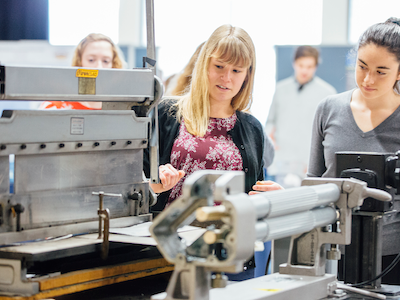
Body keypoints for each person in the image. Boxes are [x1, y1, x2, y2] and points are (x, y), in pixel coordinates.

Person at [144, 24, 281, 280]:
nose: (226, 78)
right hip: (170, 252)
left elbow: (255, 194)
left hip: (230, 254)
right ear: (204, 64)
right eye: (219, 66)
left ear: (247, 75)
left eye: (236, 70)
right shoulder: (167, 114)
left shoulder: (251, 128)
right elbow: (135, 186)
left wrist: (274, 199)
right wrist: (155, 184)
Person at [307, 18, 400, 178]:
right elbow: (313, 182)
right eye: (362, 67)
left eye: (380, 72)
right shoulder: (328, 108)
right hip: (330, 205)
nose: (368, 80)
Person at [265, 46, 337, 187]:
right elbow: (270, 122)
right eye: (301, 65)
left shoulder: (327, 93)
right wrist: (270, 138)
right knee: (279, 201)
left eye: (309, 66)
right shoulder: (280, 89)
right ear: (294, 63)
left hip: (309, 162)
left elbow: (331, 132)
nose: (304, 70)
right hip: (282, 160)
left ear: (316, 67)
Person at [39, 33, 125, 110]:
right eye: (91, 60)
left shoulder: (124, 109)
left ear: (114, 65)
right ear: (80, 63)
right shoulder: (56, 106)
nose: (99, 67)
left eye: (105, 61)